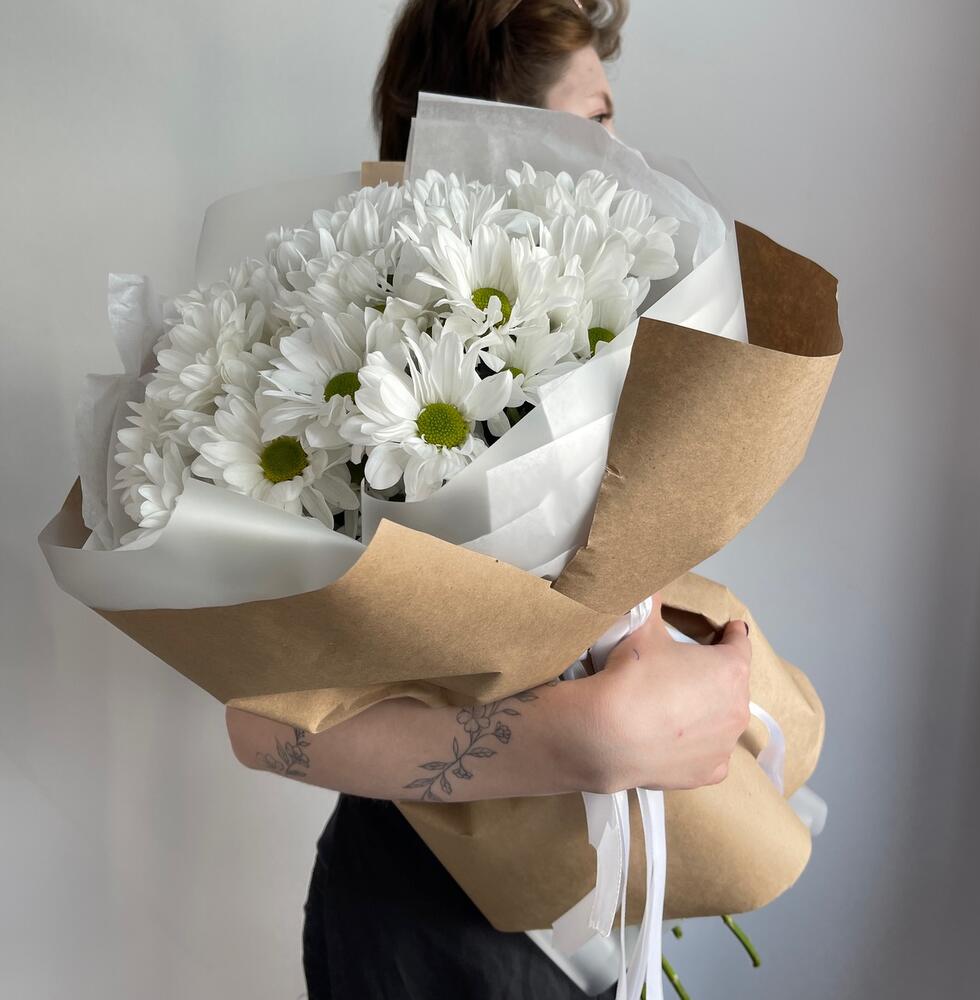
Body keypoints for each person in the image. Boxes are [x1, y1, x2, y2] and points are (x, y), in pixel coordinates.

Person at [224, 2, 753, 997]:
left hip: (576, 895)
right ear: (507, 140)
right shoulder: (355, 355)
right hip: (425, 918)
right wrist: (575, 741)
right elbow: (262, 719)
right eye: (598, 123)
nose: (626, 157)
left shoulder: (600, 324)